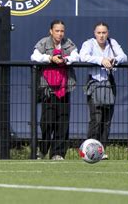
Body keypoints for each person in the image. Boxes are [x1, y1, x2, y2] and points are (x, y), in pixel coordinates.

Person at [30, 20, 79, 161]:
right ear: (51, 31)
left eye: (62, 31)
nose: (60, 34)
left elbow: (76, 56)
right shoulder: (44, 43)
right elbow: (34, 56)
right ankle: (43, 150)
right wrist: (50, 58)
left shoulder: (68, 43)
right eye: (57, 31)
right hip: (48, 89)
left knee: (63, 122)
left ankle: (58, 153)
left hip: (65, 88)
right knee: (47, 122)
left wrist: (66, 59)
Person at [80, 22, 127, 160]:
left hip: (109, 83)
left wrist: (114, 60)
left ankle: (101, 150)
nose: (101, 36)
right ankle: (88, 149)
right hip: (94, 82)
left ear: (108, 33)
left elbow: (123, 56)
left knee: (107, 119)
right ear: (95, 33)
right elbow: (83, 56)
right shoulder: (89, 43)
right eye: (99, 33)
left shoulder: (112, 43)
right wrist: (101, 60)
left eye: (104, 33)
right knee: (96, 118)